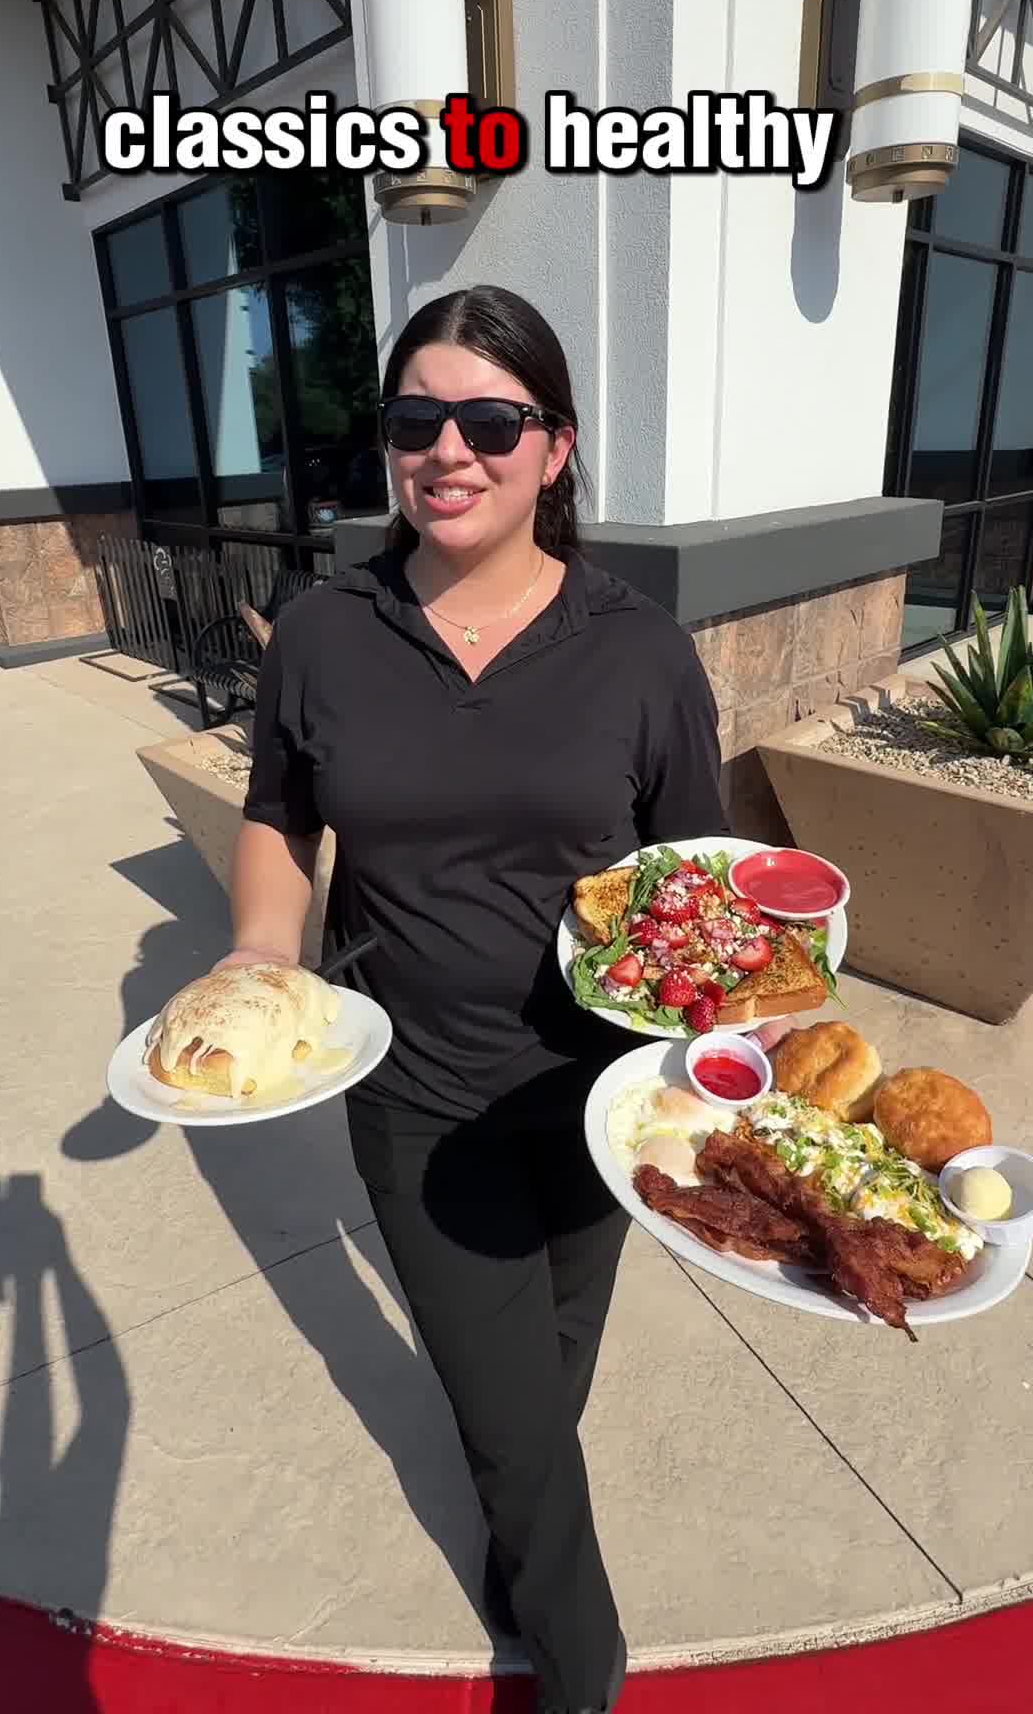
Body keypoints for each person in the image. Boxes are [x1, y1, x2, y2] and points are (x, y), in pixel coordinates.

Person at [219, 284, 728, 1714]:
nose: (448, 450)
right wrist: (261, 949)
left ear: (553, 450)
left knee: (553, 1363)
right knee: (504, 1408)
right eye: (414, 421)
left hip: (600, 1093)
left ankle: (520, 1537)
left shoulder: (640, 649)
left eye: (491, 422)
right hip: (412, 1087)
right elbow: (279, 815)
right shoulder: (325, 632)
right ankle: (583, 1670)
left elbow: (697, 875)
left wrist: (726, 1043)